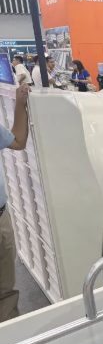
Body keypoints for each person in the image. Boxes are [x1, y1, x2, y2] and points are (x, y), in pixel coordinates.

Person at [0, 83, 31, 322]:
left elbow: (18, 140)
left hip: (1, 218)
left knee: (6, 289)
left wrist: (20, 104)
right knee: (5, 291)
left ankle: (9, 335)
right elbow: (19, 141)